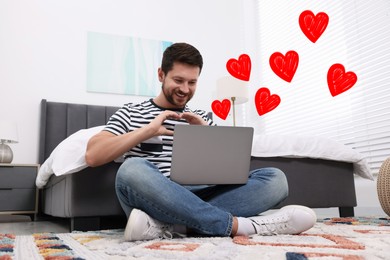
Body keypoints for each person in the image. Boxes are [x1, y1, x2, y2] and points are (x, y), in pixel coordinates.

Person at [85, 42, 316, 241]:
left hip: (202, 193)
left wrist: (205, 132)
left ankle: (172, 227)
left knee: (276, 179)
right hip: (155, 196)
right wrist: (147, 131)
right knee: (131, 169)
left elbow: (229, 171)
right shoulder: (130, 112)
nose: (185, 89)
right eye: (178, 80)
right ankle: (242, 226)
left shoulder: (203, 117)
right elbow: (93, 155)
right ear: (160, 75)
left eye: (192, 82)